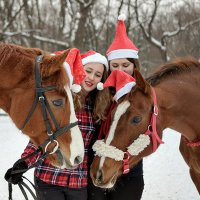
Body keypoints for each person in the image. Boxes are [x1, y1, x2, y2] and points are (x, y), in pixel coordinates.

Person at [4, 49, 111, 200]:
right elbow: (42, 136)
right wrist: (23, 164)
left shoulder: (98, 109)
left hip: (78, 182)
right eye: (88, 71)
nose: (92, 77)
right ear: (80, 70)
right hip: (49, 178)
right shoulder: (61, 100)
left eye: (98, 75)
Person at [88, 14, 144, 200]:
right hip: (97, 166)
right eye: (115, 65)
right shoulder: (98, 92)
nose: (120, 70)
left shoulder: (142, 95)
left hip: (130, 171)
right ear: (109, 67)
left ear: (134, 65)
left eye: (126, 65)